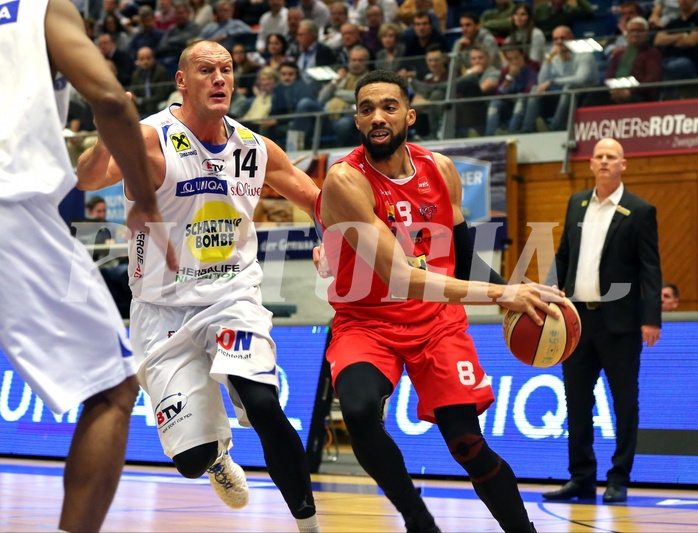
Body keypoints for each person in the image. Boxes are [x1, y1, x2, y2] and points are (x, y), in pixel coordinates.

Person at [76, 39, 321, 533]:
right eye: (206, 70)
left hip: (233, 297)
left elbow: (316, 198)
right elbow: (87, 180)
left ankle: (309, 525)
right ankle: (215, 457)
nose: (220, 79)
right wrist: (107, 129)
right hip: (161, 311)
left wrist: (331, 236)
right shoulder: (149, 137)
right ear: (182, 82)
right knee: (191, 458)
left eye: (227, 69)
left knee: (264, 404)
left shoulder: (253, 147)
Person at [316, 69, 564, 533]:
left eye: (389, 106)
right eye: (367, 108)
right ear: (356, 120)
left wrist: (522, 294)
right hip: (367, 321)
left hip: (437, 324)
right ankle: (418, 519)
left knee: (467, 443)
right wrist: (501, 293)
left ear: (409, 115)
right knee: (358, 410)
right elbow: (402, 278)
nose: (377, 116)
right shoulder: (346, 180)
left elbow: (464, 260)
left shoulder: (441, 170)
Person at [0, 0, 175, 531]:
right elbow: (111, 100)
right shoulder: (39, 9)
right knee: (113, 389)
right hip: (10, 207)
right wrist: (144, 201)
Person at [542, 138, 662, 504]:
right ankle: (581, 478)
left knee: (624, 402)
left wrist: (651, 318)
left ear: (623, 164)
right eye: (600, 157)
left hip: (621, 323)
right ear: (591, 164)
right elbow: (563, 255)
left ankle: (619, 477)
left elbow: (650, 269)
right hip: (578, 323)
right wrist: (549, 293)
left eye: (612, 157)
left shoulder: (640, 210)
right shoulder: (576, 202)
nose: (605, 162)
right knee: (576, 402)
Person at [521, 25, 598, 133]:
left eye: (562, 38)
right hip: (561, 98)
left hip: (583, 96)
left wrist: (553, 82)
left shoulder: (584, 55)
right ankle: (527, 129)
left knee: (568, 88)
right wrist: (548, 58)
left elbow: (581, 79)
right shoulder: (554, 57)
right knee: (535, 89)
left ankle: (555, 127)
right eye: (555, 39)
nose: (559, 42)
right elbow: (541, 82)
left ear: (571, 38)